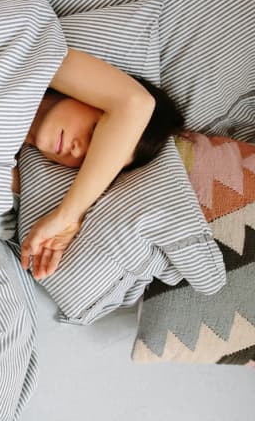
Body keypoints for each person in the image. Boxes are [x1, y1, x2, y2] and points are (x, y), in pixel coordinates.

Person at [18, 48, 184, 280]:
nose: (79, 149)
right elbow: (135, 104)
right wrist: (68, 214)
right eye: (95, 133)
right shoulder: (34, 51)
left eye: (90, 160)